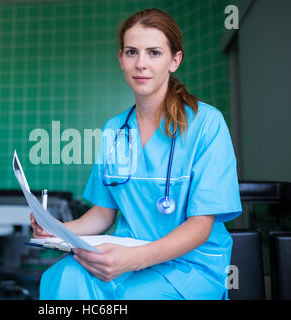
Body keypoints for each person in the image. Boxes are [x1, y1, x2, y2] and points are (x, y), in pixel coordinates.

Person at [30, 8, 242, 300]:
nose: (141, 63)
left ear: (174, 60)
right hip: (124, 255)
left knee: (129, 298)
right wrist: (57, 230)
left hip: (188, 267)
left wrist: (136, 259)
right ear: (121, 59)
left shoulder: (207, 123)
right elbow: (103, 214)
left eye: (154, 52)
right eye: (132, 52)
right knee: (64, 276)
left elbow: (200, 227)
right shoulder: (114, 130)